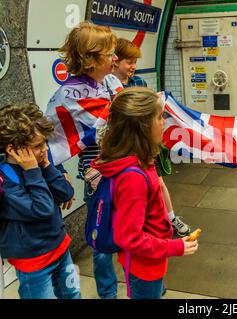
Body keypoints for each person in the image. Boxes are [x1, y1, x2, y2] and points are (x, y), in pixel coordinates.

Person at [91, 86, 198, 299]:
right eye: (159, 117)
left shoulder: (141, 161)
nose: (164, 122)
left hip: (150, 260)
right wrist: (175, 246)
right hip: (143, 265)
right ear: (143, 127)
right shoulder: (134, 177)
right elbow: (129, 237)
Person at [45, 21, 122, 299]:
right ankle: (108, 294)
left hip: (128, 172)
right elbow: (48, 137)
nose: (115, 59)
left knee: (136, 227)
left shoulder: (112, 82)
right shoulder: (67, 96)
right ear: (90, 58)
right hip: (99, 178)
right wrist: (57, 170)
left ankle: (145, 285)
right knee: (102, 240)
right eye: (109, 53)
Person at [0, 103, 80, 299]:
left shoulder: (39, 163)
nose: (45, 149)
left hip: (60, 249)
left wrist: (46, 166)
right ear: (13, 149)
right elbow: (42, 209)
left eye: (45, 143)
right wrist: (33, 171)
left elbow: (66, 193)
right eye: (38, 146)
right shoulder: (6, 181)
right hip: (33, 262)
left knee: (73, 295)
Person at [113, 38, 191, 237]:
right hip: (125, 149)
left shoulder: (139, 82)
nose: (133, 67)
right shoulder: (108, 87)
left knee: (158, 182)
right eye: (129, 62)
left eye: (135, 62)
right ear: (116, 61)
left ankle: (171, 218)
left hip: (144, 144)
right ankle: (147, 226)